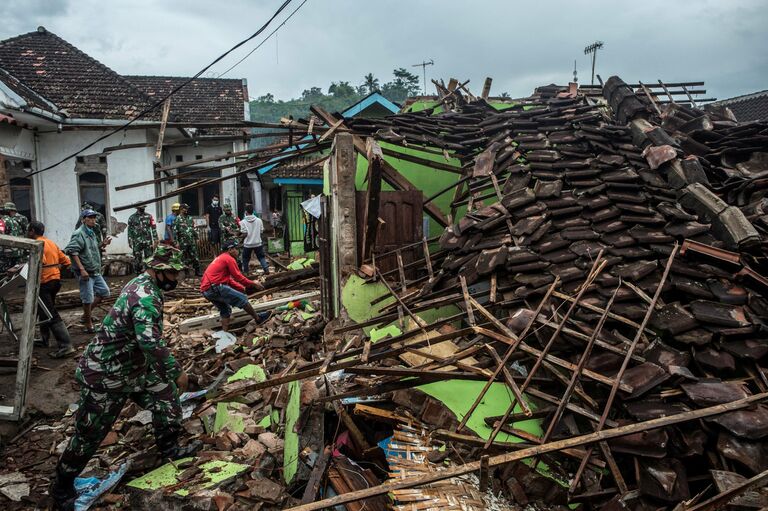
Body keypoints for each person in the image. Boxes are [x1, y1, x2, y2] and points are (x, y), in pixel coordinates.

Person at [49, 245, 196, 510]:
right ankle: (61, 488)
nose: (176, 279)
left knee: (167, 398)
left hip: (133, 369)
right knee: (89, 435)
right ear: (159, 271)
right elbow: (149, 341)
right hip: (105, 375)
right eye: (173, 274)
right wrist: (177, 372)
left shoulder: (147, 286)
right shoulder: (145, 295)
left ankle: (169, 450)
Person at [28, 221, 75, 358]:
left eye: (28, 231)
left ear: (32, 231)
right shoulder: (51, 243)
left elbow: (39, 261)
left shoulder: (37, 244)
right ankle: (44, 340)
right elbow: (66, 262)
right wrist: (56, 270)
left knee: (50, 312)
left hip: (44, 282)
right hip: (55, 281)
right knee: (44, 310)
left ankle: (66, 346)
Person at [200, 240, 267, 332]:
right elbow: (238, 276)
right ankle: (258, 319)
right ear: (230, 249)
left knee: (225, 310)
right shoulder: (229, 259)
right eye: (236, 249)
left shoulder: (221, 258)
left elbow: (229, 280)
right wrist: (253, 283)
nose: (237, 251)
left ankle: (225, 333)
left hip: (206, 291)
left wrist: (243, 288)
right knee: (243, 299)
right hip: (215, 287)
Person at [65, 209, 111, 333]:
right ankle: (88, 324)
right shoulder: (79, 233)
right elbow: (72, 251)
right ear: (84, 219)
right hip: (85, 272)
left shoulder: (91, 232)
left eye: (94, 218)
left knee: (104, 292)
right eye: (90, 218)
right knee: (88, 298)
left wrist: (103, 244)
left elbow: (93, 248)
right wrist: (82, 269)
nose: (93, 220)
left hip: (94, 270)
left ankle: (86, 315)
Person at [127, 206, 158, 274]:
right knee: (137, 258)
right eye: (141, 207)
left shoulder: (149, 216)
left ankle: (149, 273)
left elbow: (153, 227)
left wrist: (155, 239)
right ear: (137, 208)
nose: (143, 208)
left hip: (148, 241)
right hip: (137, 241)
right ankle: (138, 273)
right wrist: (130, 240)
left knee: (149, 257)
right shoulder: (132, 217)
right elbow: (130, 230)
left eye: (144, 207)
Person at [239, 205, 269, 275]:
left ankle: (246, 272)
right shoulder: (259, 220)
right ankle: (266, 269)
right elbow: (261, 231)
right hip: (257, 243)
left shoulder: (242, 222)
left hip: (247, 244)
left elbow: (244, 233)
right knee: (261, 257)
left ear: (246, 212)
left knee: (245, 259)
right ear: (253, 211)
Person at [172, 203, 201, 277]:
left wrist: (197, 237)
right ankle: (186, 272)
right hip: (182, 242)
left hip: (191, 241)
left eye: (187, 208)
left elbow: (193, 229)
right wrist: (176, 242)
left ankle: (198, 271)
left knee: (195, 256)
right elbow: (175, 231)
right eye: (185, 208)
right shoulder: (177, 219)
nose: (187, 210)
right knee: (184, 257)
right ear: (181, 209)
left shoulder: (190, 218)